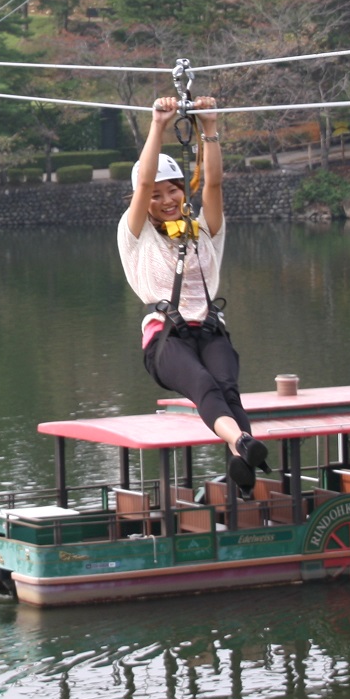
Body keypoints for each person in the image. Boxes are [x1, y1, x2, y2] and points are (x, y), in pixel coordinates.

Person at [120, 94, 267, 492]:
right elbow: (145, 181)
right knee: (203, 384)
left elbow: (215, 183)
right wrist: (158, 125)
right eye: (157, 195)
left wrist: (210, 128)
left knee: (227, 388)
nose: (167, 200)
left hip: (209, 329)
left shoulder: (203, 231)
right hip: (165, 338)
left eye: (174, 191)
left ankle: (243, 456)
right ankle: (241, 443)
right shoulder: (136, 235)